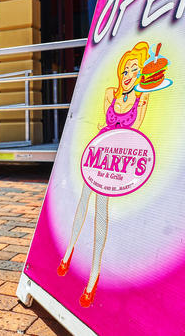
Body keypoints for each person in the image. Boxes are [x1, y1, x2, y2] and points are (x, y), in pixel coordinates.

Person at [57, 41, 151, 308]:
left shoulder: (142, 99)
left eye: (134, 70)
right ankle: (67, 254)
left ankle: (93, 277)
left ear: (140, 73)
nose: (128, 74)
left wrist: (141, 103)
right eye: (125, 70)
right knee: (83, 201)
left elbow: (137, 131)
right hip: (99, 151)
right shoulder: (111, 93)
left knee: (101, 210)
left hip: (118, 158)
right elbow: (104, 121)